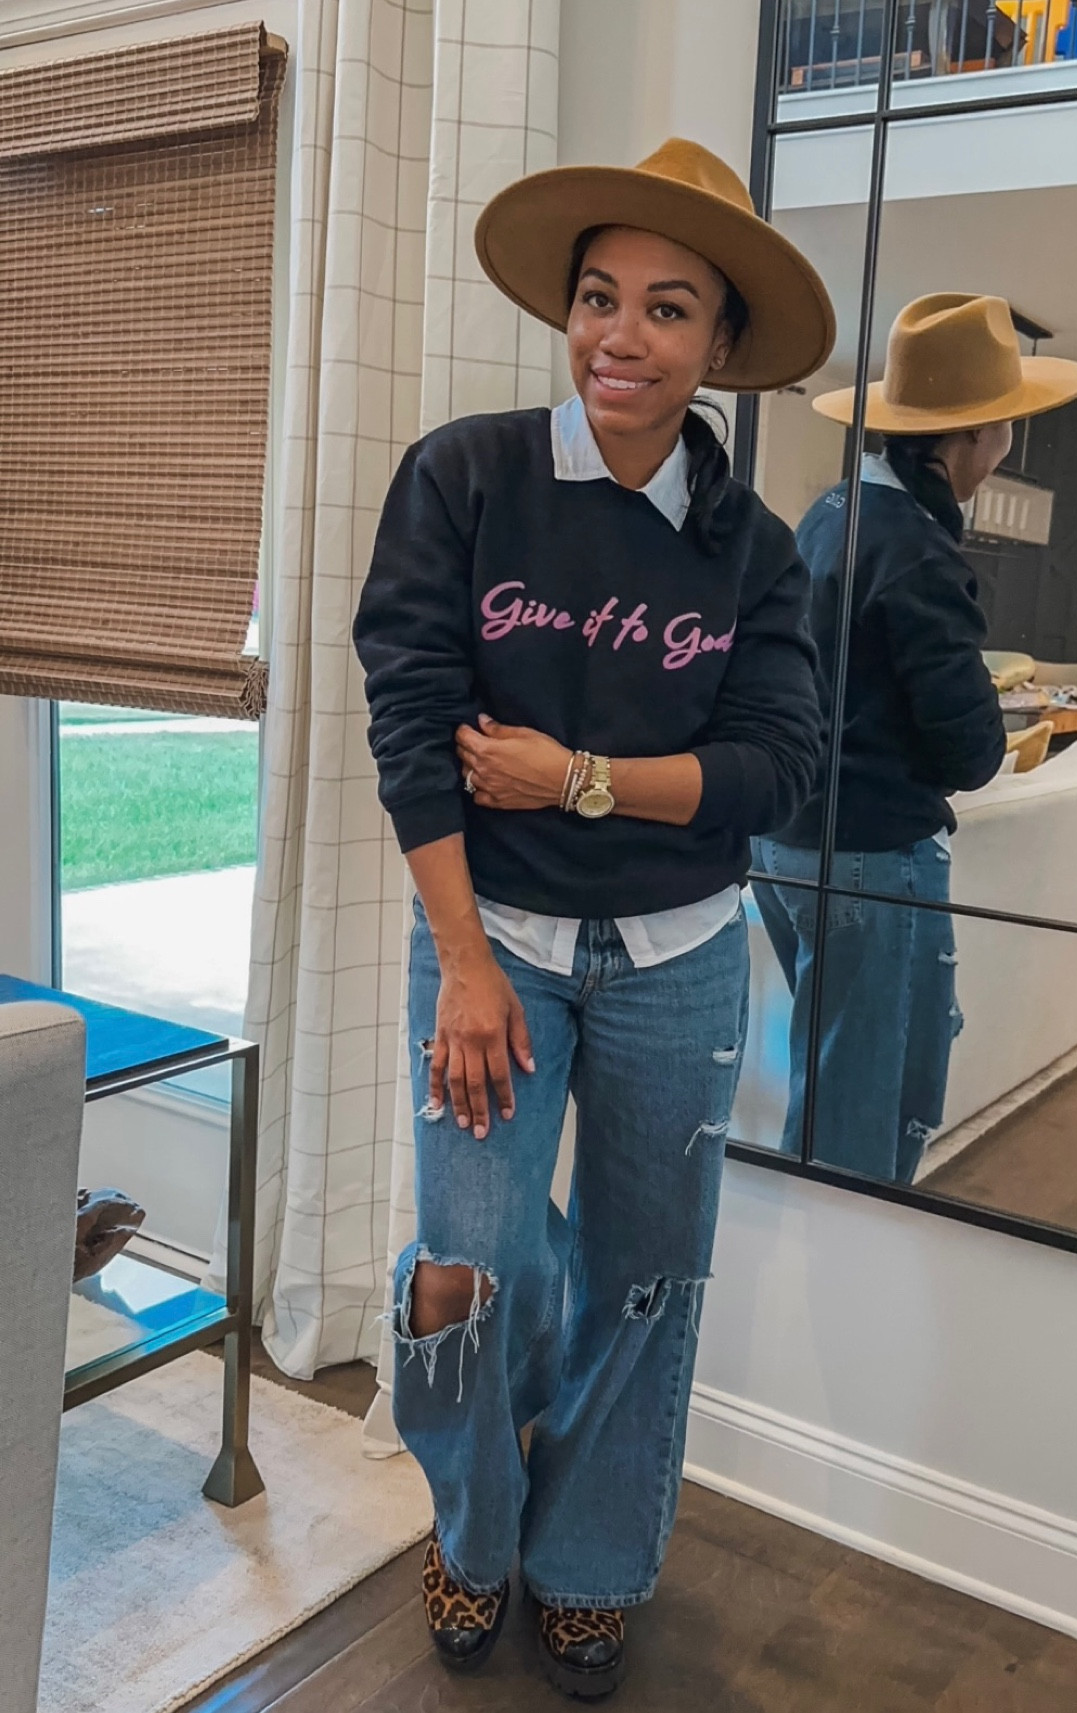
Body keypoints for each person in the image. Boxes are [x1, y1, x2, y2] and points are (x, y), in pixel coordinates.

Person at [353, 138, 832, 1699]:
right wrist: (469, 966)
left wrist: (576, 779)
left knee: (645, 1271)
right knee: (472, 1266)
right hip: (489, 940)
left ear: (719, 347)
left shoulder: (749, 550)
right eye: (597, 297)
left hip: (678, 963)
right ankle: (477, 1531)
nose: (620, 336)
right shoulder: (467, 474)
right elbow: (413, 723)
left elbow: (773, 768)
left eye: (666, 309)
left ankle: (591, 1560)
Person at [752, 293, 1077, 1184]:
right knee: (862, 1119)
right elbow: (970, 752)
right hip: (869, 853)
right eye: (1005, 427)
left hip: (785, 841)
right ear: (970, 438)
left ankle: (841, 1287)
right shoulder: (916, 550)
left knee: (842, 1089)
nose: (1006, 446)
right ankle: (845, 1304)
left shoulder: (829, 513)